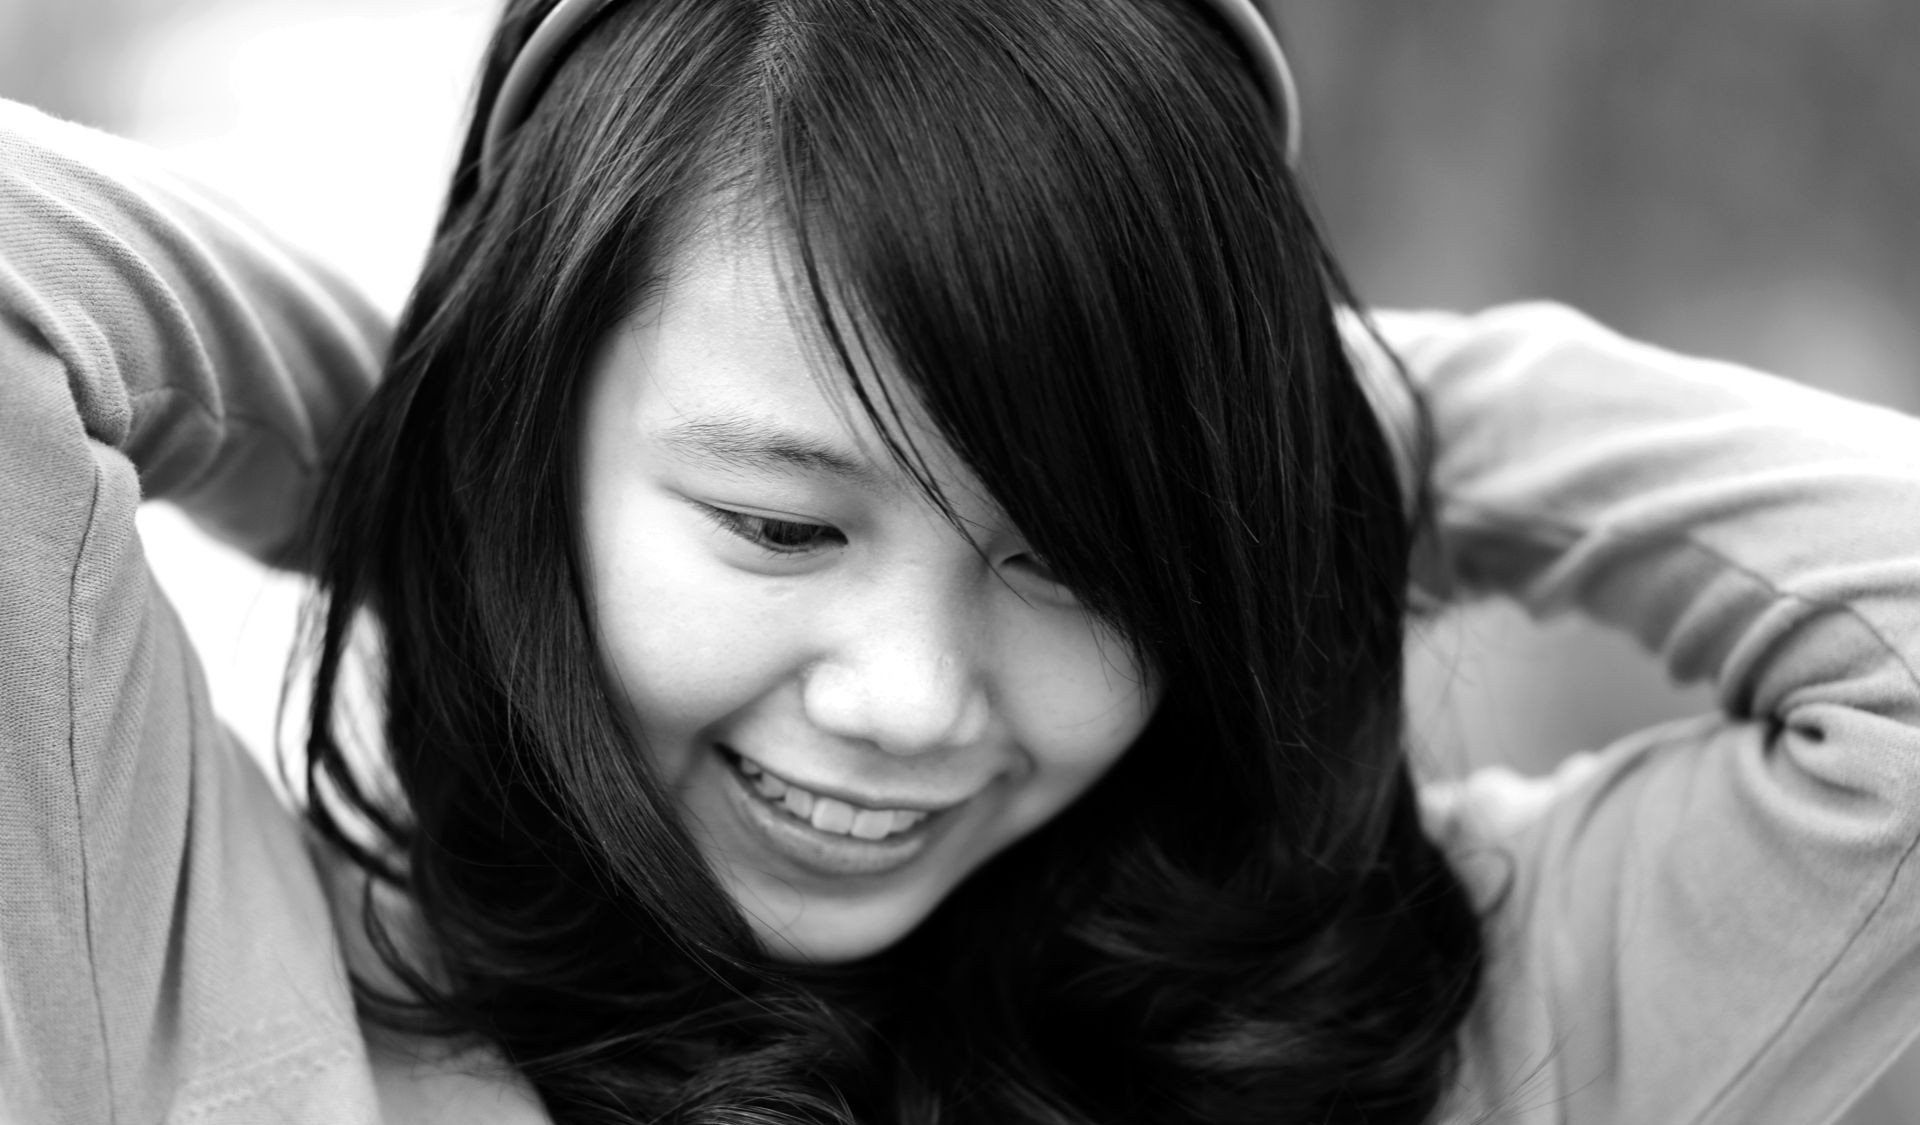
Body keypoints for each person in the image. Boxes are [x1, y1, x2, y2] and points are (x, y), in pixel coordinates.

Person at [3, 0, 1920, 1123]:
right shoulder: (189, 971)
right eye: (779, 523)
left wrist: (1300, 443)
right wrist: (439, 443)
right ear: (533, 444)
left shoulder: (1448, 1029)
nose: (911, 699)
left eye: (1079, 555)